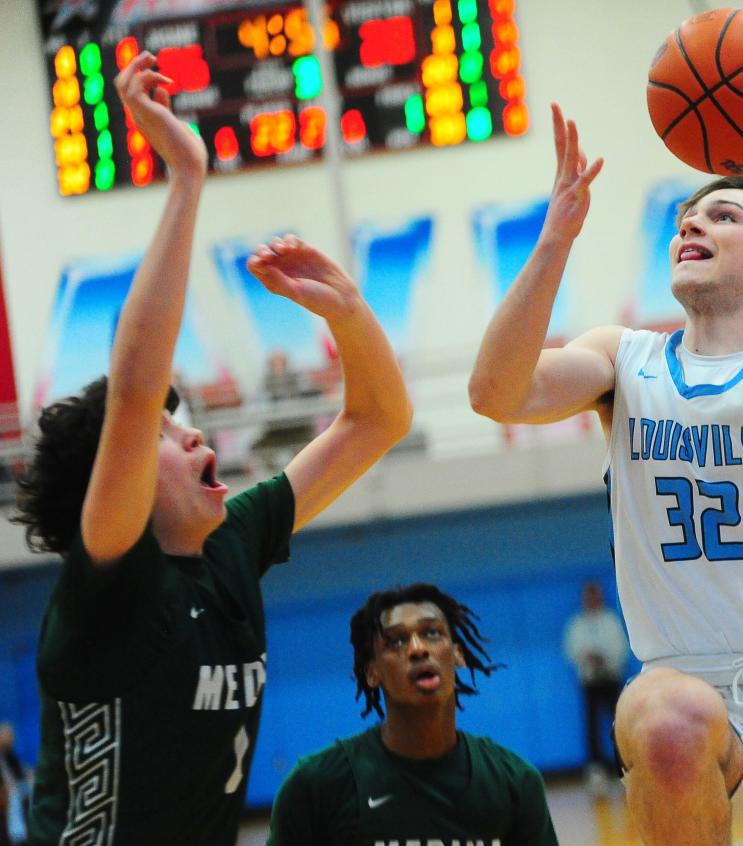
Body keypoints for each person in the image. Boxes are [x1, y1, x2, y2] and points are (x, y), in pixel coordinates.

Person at [469, 46, 743, 846]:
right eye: (685, 218)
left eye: (723, 215)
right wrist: (555, 241)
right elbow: (496, 394)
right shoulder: (624, 360)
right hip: (682, 688)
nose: (692, 223)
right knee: (662, 713)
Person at [14, 52, 411, 846]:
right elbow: (132, 388)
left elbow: (377, 422)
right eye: (164, 432)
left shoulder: (227, 548)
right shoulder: (113, 586)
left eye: (181, 419)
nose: (191, 431)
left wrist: (351, 315)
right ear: (114, 474)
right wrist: (187, 177)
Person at [267, 583, 559, 845]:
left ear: (457, 654)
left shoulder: (514, 781)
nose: (418, 649)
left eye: (431, 633)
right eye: (395, 641)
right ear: (372, 672)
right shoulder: (315, 786)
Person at [563, 580, 629, 789]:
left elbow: (621, 647)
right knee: (591, 726)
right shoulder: (577, 624)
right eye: (588, 595)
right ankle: (596, 772)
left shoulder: (610, 620)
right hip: (590, 681)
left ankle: (624, 766)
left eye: (595, 595)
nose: (592, 599)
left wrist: (605, 658)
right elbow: (572, 650)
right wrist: (587, 657)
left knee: (618, 724)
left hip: (610, 678)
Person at [0, 723, 29, 846]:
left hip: (17, 786)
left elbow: (23, 771)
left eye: (11, 735)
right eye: (6, 735)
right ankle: (18, 835)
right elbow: (6, 780)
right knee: (14, 795)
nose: (10, 738)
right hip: (7, 791)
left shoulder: (10, 754)